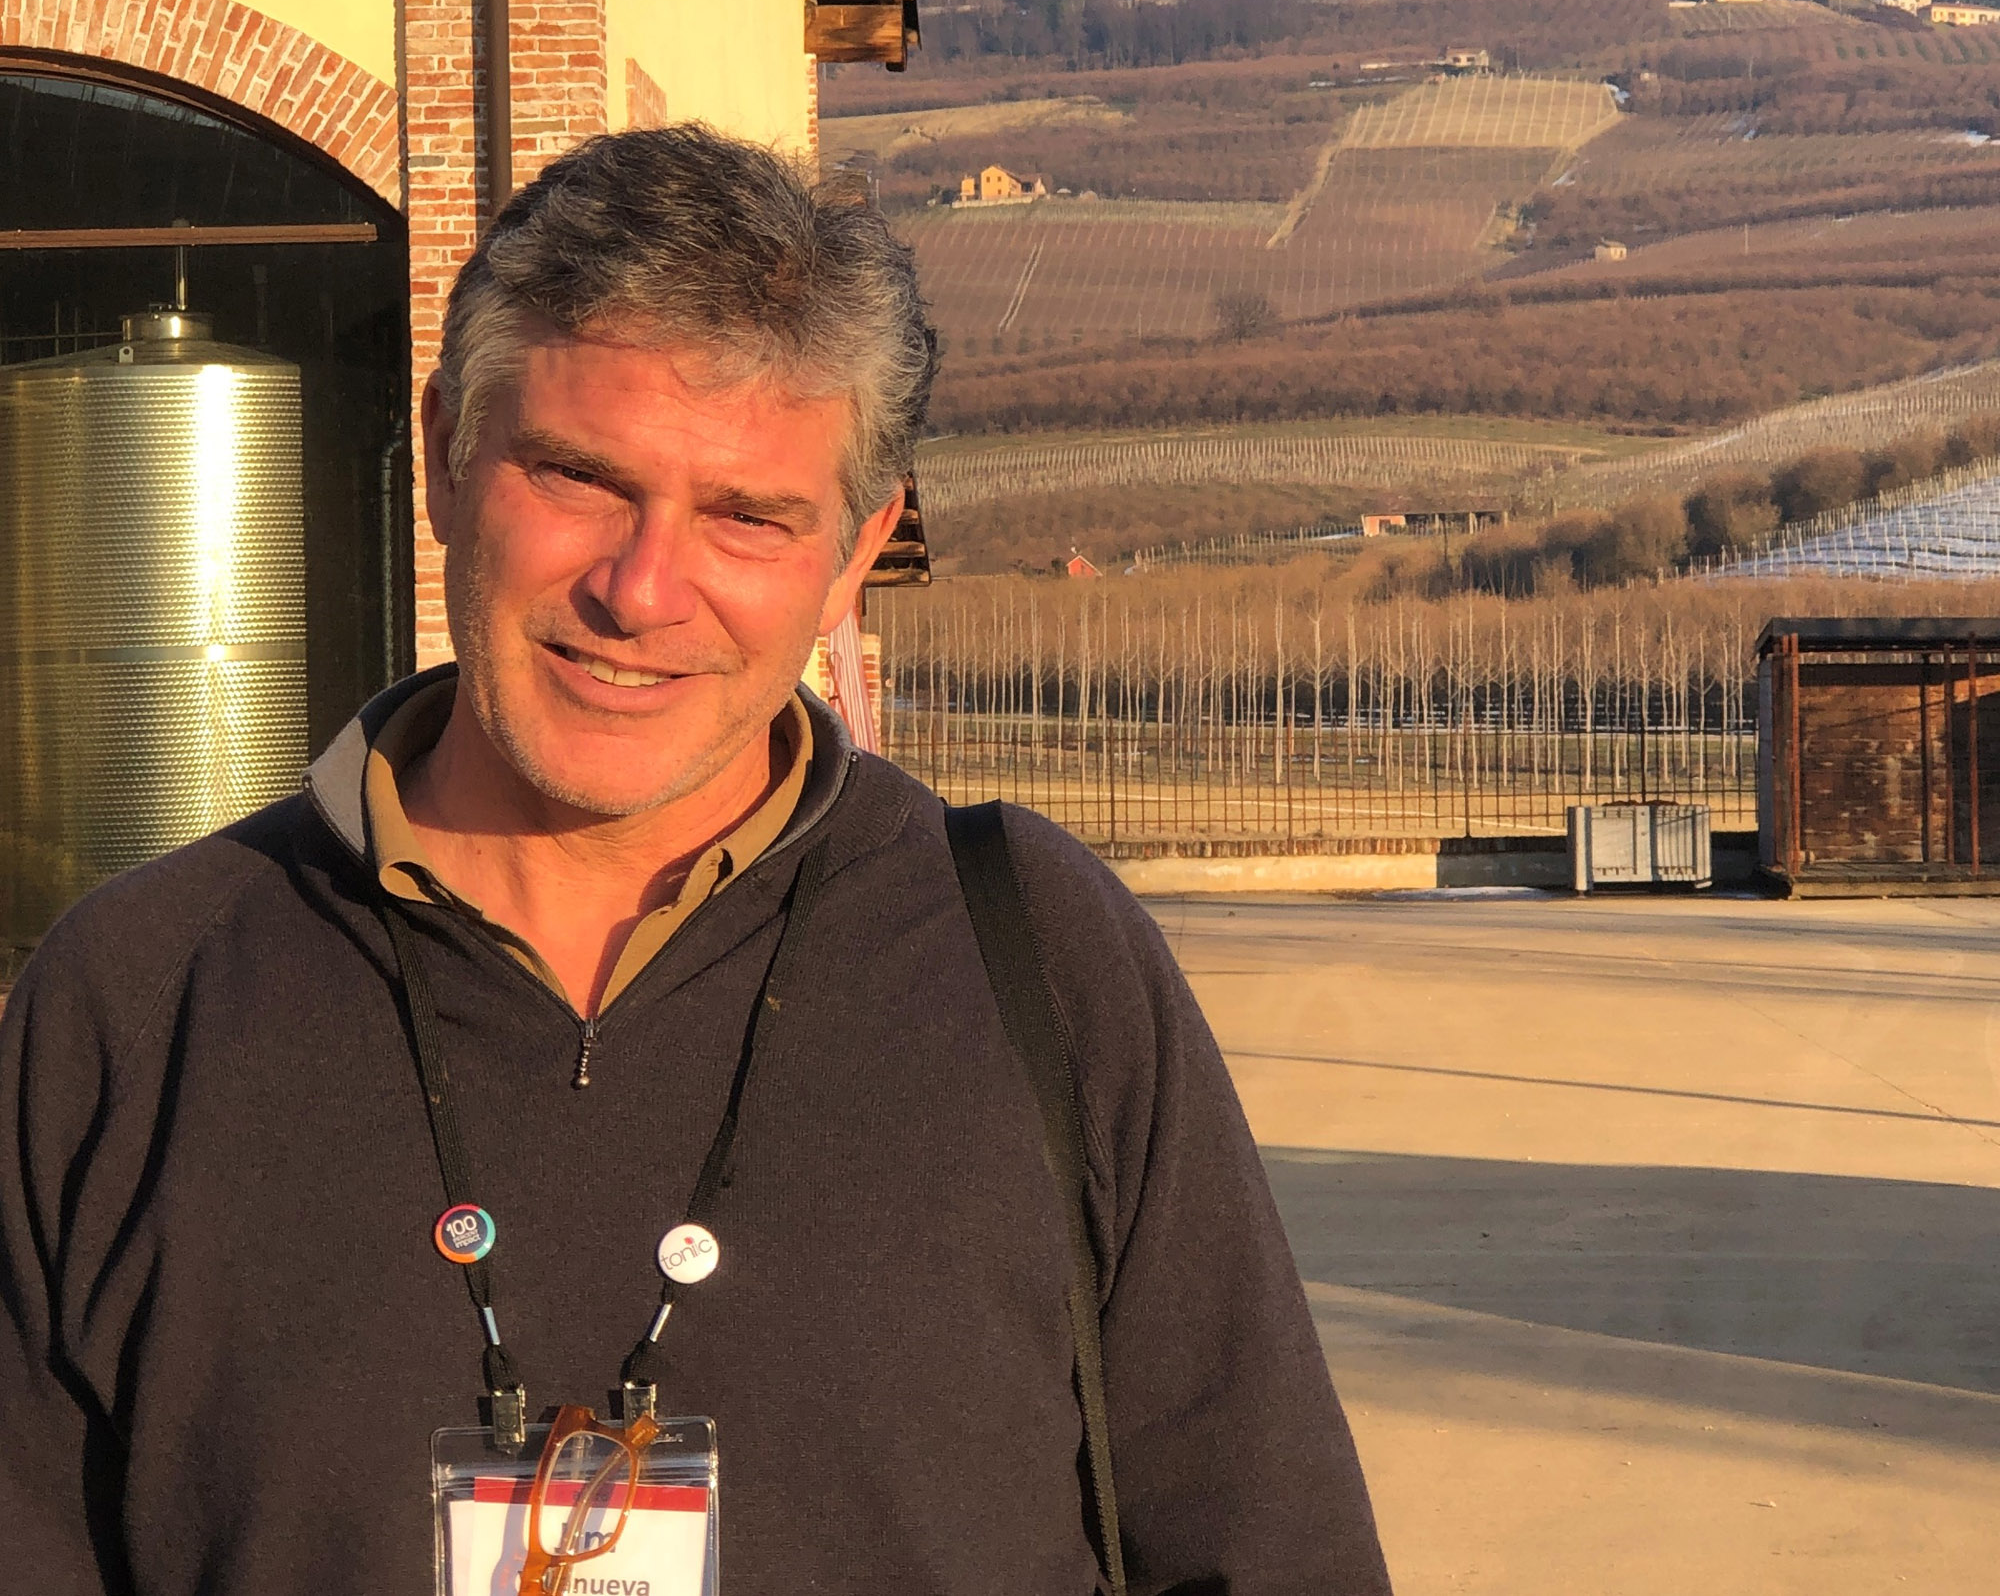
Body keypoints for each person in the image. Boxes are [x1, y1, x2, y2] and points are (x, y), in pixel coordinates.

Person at [0, 125, 1390, 1595]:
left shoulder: (1038, 964)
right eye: (580, 477)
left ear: (854, 554)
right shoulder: (136, 1001)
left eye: (746, 516)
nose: (642, 590)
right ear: (447, 457)